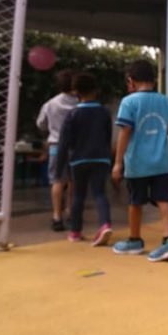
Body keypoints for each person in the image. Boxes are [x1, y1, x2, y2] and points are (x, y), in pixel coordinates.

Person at [111, 60, 168, 262]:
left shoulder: (129, 102)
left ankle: (134, 239)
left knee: (136, 201)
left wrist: (117, 162)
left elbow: (125, 132)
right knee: (164, 199)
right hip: (162, 162)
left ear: (131, 81)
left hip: (137, 164)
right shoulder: (164, 101)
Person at [55, 72, 113, 246]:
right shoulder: (104, 112)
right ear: (96, 90)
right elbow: (108, 136)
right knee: (100, 193)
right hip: (101, 158)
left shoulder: (72, 115)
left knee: (78, 195)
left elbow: (64, 143)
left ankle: (75, 231)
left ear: (75, 92)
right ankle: (105, 224)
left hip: (78, 160)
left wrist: (59, 169)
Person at [36, 69, 77, 231]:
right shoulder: (79, 103)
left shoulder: (50, 104)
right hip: (76, 147)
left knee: (57, 180)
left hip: (56, 146)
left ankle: (56, 216)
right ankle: (70, 212)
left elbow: (41, 124)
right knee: (74, 180)